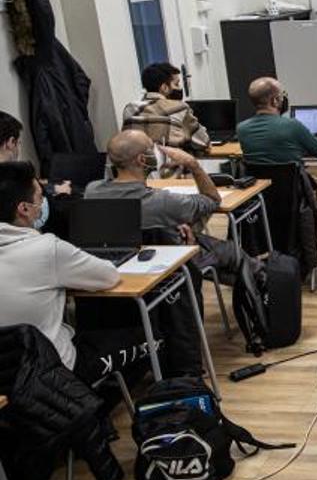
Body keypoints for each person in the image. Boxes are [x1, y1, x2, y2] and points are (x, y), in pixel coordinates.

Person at [0, 160, 165, 384]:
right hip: (53, 371)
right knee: (152, 335)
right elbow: (108, 276)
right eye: (40, 198)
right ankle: (100, 401)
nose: (43, 203)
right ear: (24, 209)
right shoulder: (48, 249)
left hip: (7, 374)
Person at [85, 130, 221, 236]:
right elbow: (212, 200)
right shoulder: (164, 201)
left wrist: (170, 225)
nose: (158, 151)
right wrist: (193, 164)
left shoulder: (92, 191)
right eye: (152, 147)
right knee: (230, 251)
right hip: (170, 263)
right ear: (142, 160)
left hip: (120, 263)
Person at [236, 76, 317, 205]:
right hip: (296, 196)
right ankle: (316, 223)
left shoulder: (241, 128)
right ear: (275, 101)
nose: (284, 98)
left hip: (261, 196)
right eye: (282, 95)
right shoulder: (293, 126)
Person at [0, 110, 70, 229]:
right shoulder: (15, 176)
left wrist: (52, 187)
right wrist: (62, 195)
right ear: (11, 143)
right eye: (18, 143)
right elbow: (38, 217)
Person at [122, 62, 211, 153]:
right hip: (169, 164)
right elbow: (203, 142)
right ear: (164, 88)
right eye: (176, 84)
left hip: (138, 165)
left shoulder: (130, 108)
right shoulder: (180, 108)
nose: (180, 88)